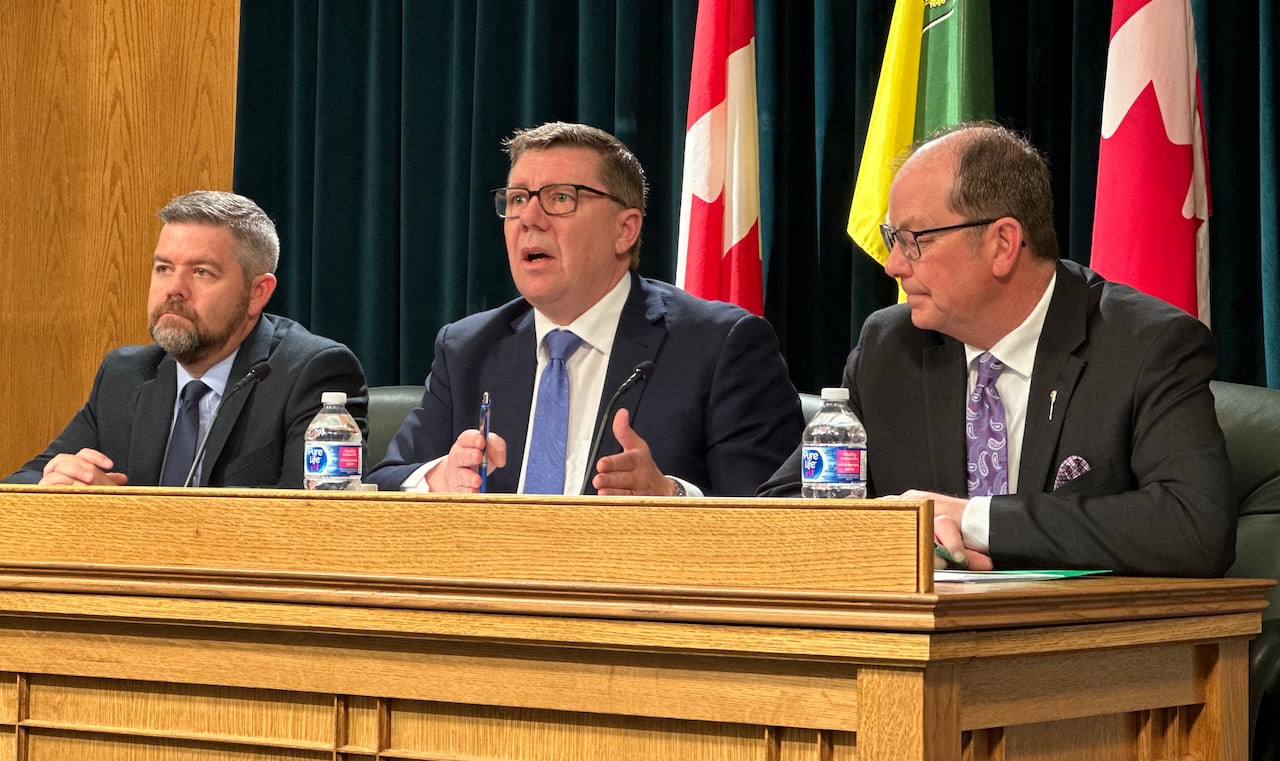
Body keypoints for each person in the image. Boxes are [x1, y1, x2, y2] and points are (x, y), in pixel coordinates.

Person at [758, 123, 1235, 578]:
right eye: (892, 239)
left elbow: (1195, 526)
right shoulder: (889, 348)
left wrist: (972, 520)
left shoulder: (1146, 346)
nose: (893, 265)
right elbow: (779, 511)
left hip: (1084, 646)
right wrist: (902, 537)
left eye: (914, 240)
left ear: (1003, 243)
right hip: (923, 641)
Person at [367, 122, 802, 496]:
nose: (529, 218)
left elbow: (775, 520)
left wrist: (670, 497)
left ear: (624, 230)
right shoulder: (467, 348)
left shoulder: (720, 346)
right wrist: (438, 476)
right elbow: (380, 483)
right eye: (517, 199)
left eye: (560, 198)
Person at [5, 190, 368, 488]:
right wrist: (52, 487)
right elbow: (21, 486)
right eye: (163, 268)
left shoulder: (311, 373)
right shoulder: (125, 375)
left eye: (201, 272)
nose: (174, 289)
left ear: (258, 292)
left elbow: (310, 526)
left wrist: (120, 515)